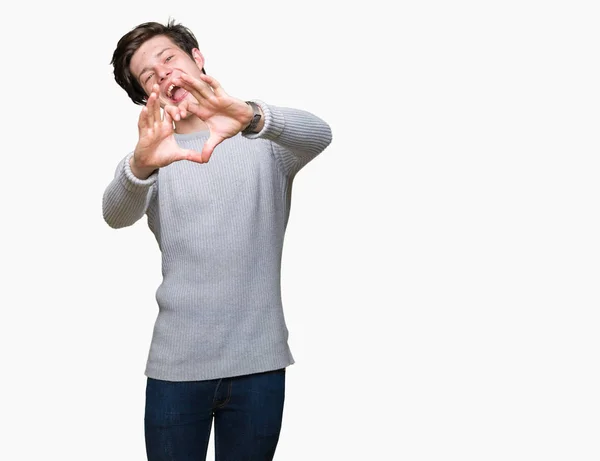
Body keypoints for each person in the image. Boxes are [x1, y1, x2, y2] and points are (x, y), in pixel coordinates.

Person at [102, 19, 332, 461]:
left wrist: (251, 116)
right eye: (149, 76)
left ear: (196, 58)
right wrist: (141, 165)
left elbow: (320, 134)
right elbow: (115, 214)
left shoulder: (264, 140)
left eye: (168, 59)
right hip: (177, 367)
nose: (163, 73)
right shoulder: (151, 155)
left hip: (260, 364)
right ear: (146, 96)